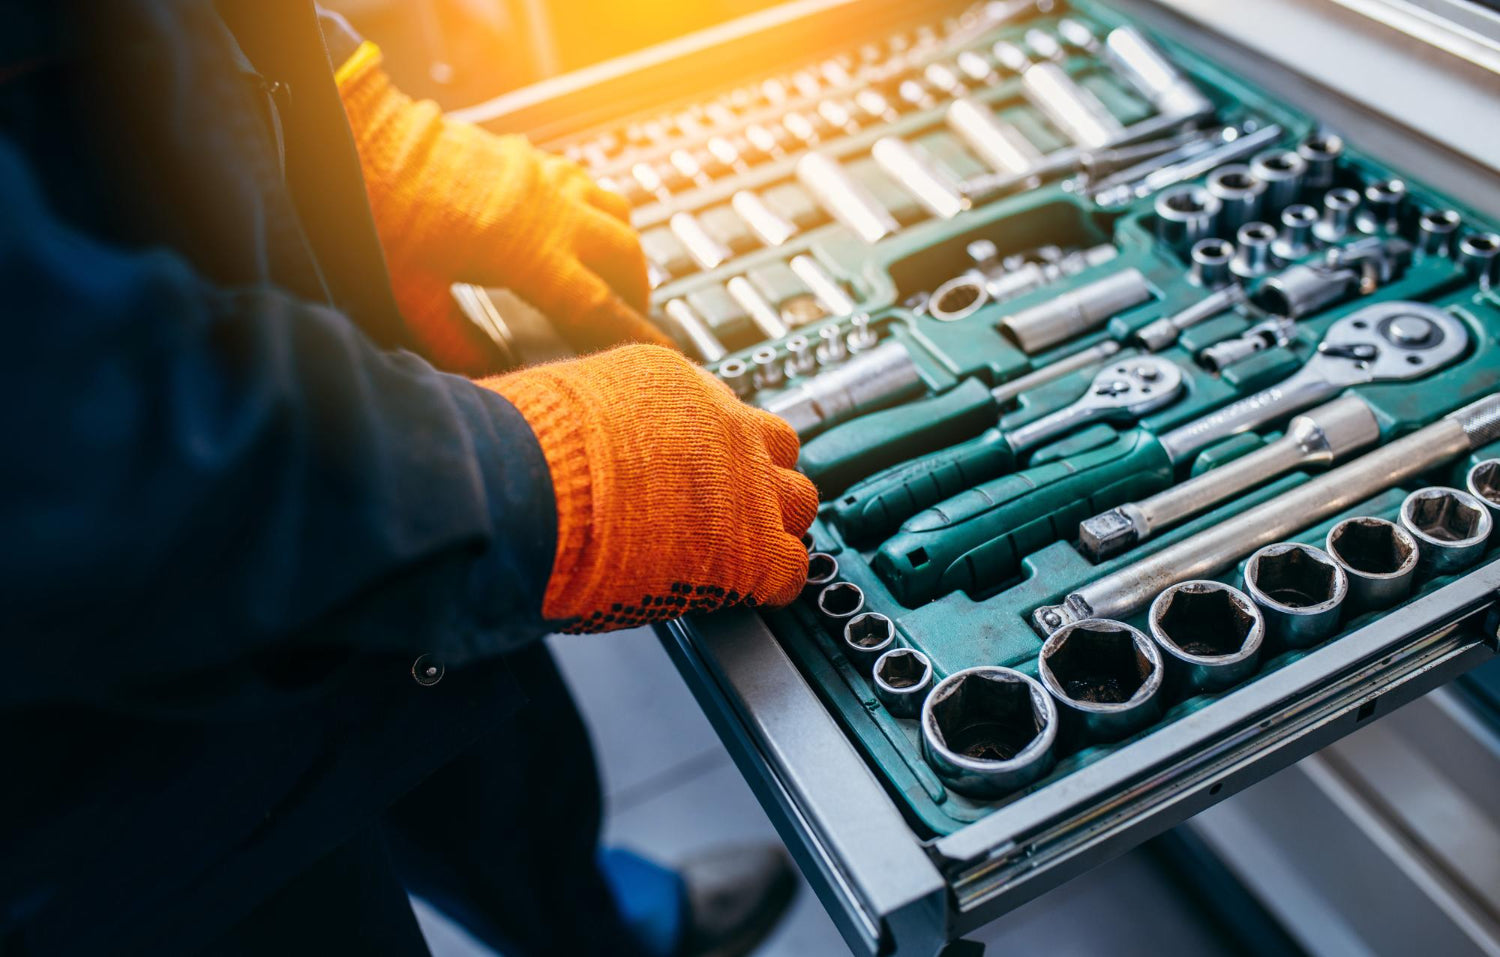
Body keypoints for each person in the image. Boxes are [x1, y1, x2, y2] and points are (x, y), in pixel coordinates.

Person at [0, 1, 819, 955]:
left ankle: (585, 920)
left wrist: (323, 112)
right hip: (107, 762)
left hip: (290, 420)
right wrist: (522, 483)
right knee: (280, 874)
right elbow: (67, 451)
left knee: (468, 720)